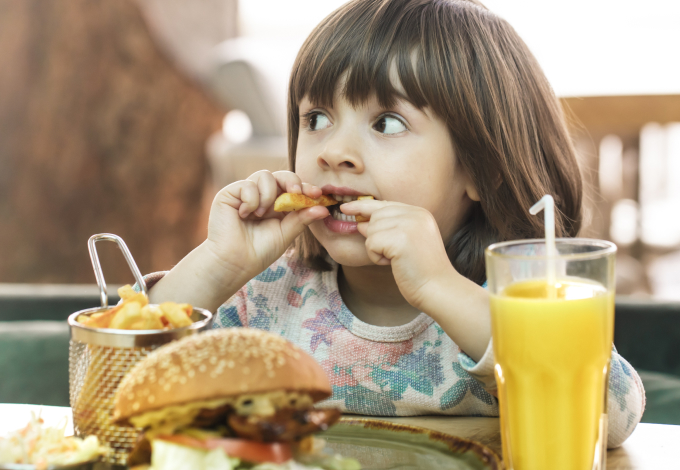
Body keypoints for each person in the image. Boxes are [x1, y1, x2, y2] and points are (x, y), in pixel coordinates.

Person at [145, 0, 644, 447]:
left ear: (477, 168)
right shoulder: (265, 301)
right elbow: (114, 391)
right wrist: (218, 264)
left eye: (387, 123)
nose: (334, 151)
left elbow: (615, 412)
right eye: (315, 118)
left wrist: (439, 286)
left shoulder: (519, 301)